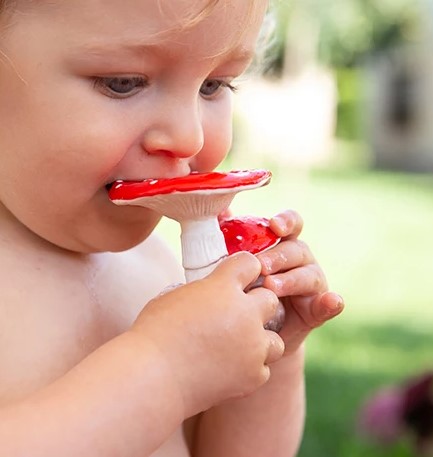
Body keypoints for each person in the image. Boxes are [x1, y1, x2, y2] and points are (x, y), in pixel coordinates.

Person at [0, 0, 344, 456]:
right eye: (123, 83)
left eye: (214, 85)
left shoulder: (157, 270)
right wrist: (163, 371)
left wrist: (268, 351)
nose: (190, 136)